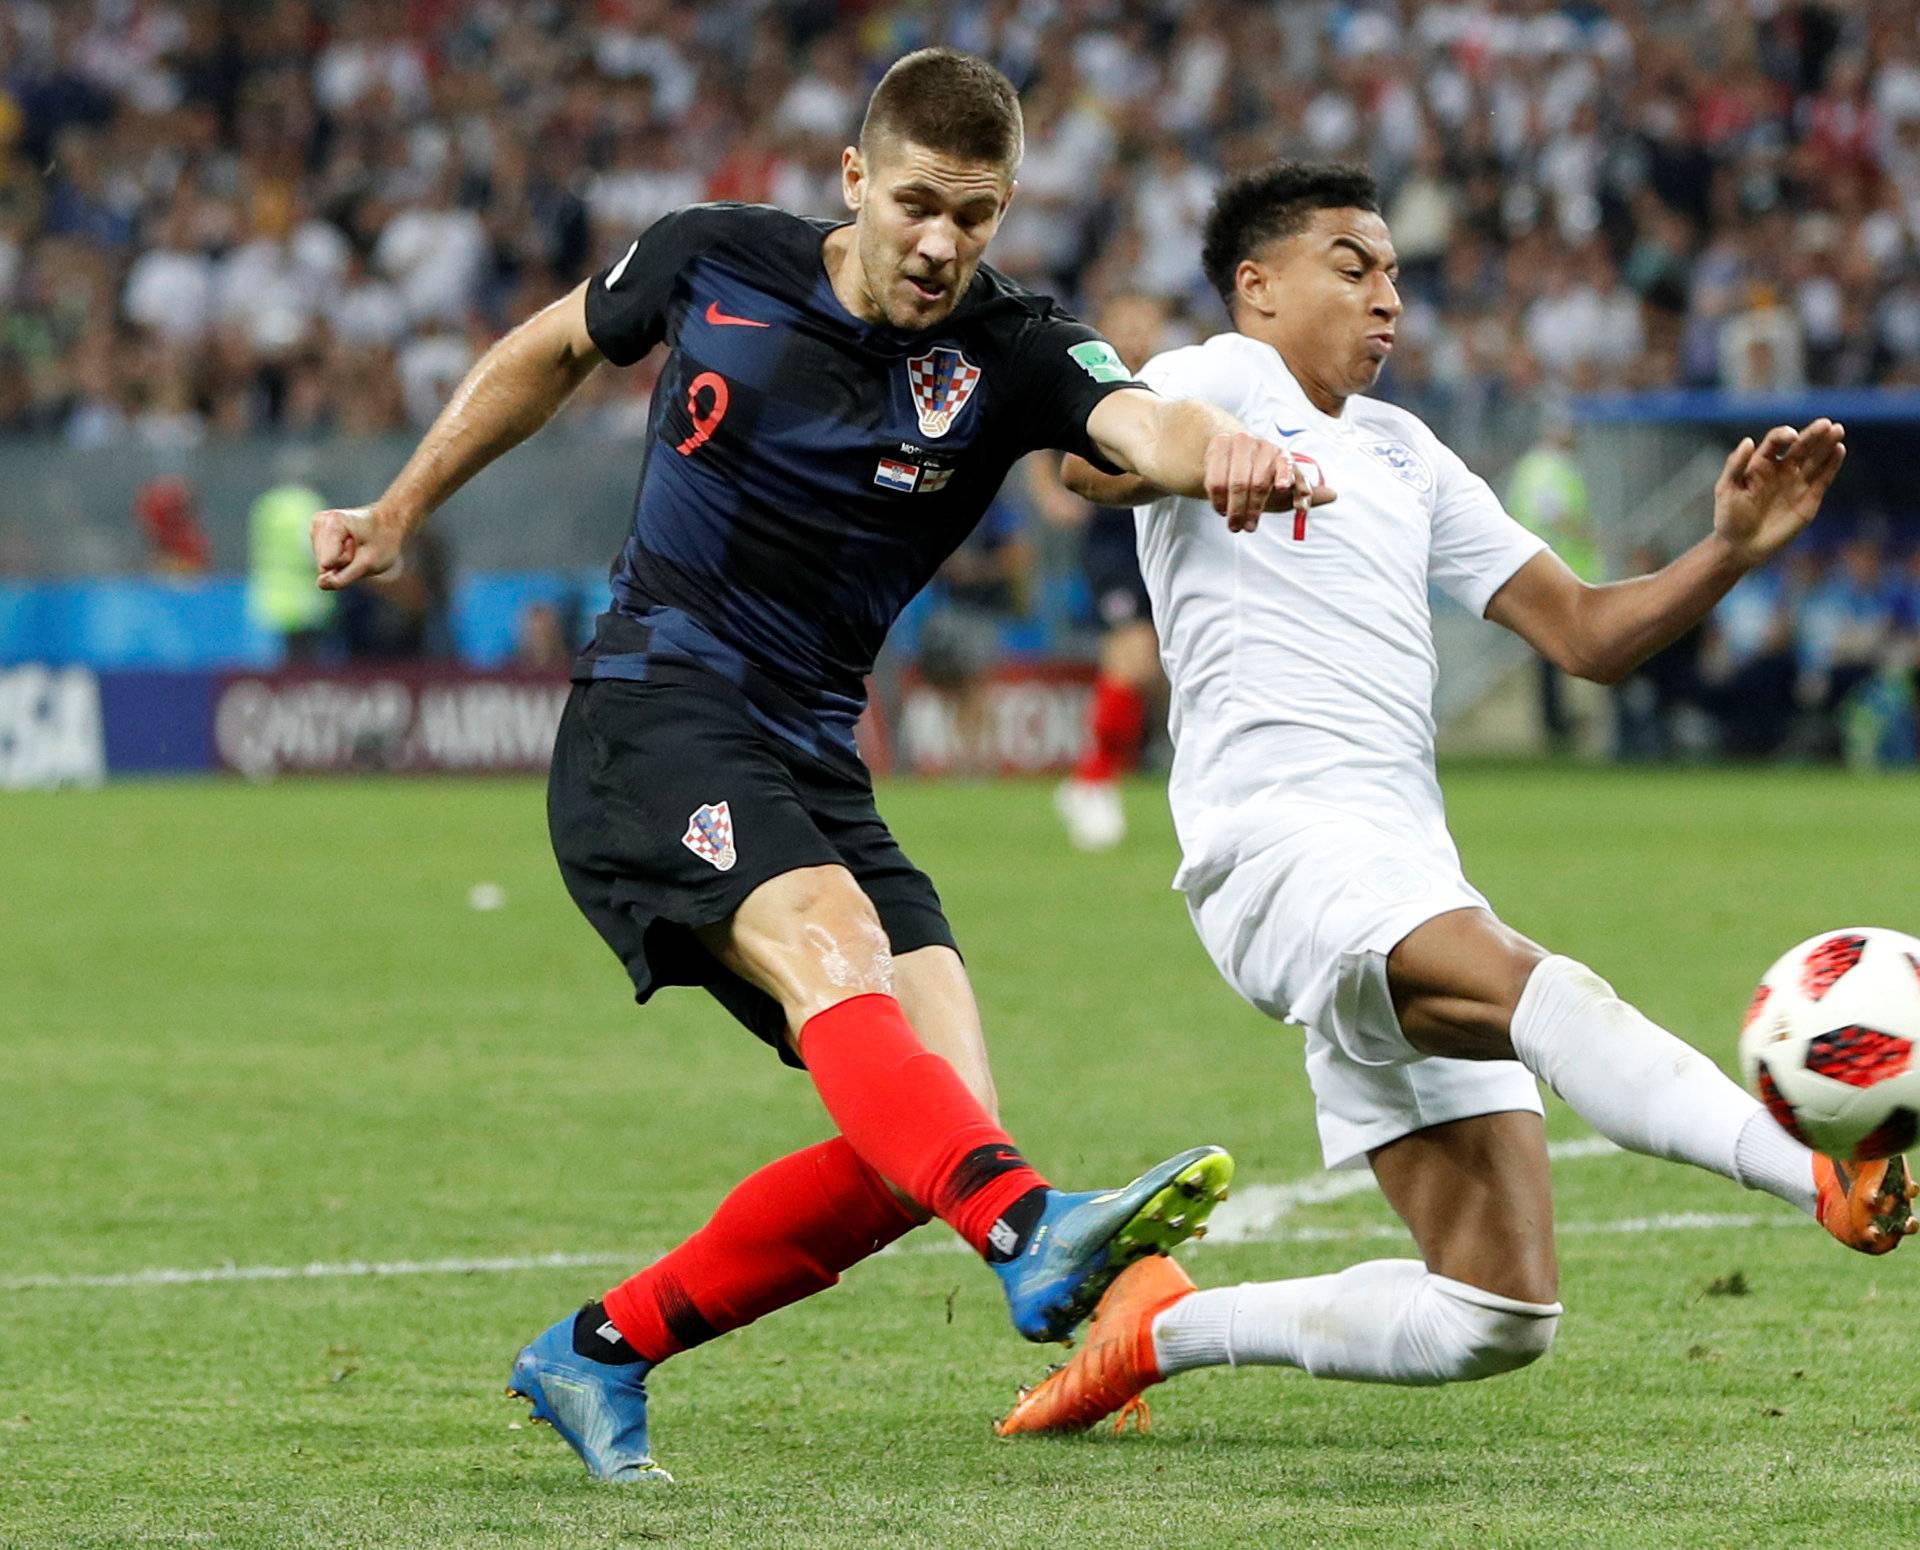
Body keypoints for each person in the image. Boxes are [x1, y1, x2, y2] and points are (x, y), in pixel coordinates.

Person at [308, 51, 1329, 1483]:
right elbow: (548, 350)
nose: (940, 243)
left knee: (934, 1136)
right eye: (917, 203)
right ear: (852, 180)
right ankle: (1038, 1234)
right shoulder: (713, 257)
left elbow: (1136, 420)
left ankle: (597, 1350)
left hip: (809, 758)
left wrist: (1219, 444)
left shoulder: (1015, 347)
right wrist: (404, 502)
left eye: (974, 217)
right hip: (654, 707)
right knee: (848, 969)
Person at [996, 162, 1911, 1439]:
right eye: (1352, 266)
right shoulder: (1214, 380)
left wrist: (1728, 553)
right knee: (1550, 993)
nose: (1389, 299)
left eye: (1396, 274)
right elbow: (1101, 459)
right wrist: (1190, 463)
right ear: (1255, 287)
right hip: (1276, 849)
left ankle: (1160, 1325)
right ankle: (1808, 1164)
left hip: (1402, 865)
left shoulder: (1406, 452)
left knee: (1493, 1311)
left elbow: (1587, 634)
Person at [1033, 291, 1174, 850]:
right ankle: (1092, 781)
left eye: (1148, 322)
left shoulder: (1172, 382)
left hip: (1159, 536)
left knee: (1155, 665)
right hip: (1113, 538)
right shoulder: (1092, 376)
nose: (1137, 333)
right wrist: (1052, 496)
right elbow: (1039, 442)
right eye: (1127, 322)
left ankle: (1112, 772)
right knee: (1133, 654)